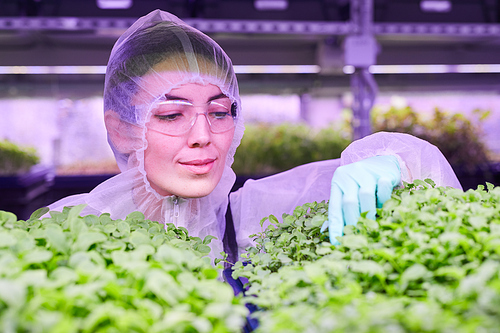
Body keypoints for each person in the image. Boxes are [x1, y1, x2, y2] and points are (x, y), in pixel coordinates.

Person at [48, 9, 462, 263]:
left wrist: (393, 160)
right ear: (120, 129)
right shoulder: (65, 235)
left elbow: (412, 173)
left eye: (218, 112)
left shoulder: (249, 222)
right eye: (171, 114)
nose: (202, 136)